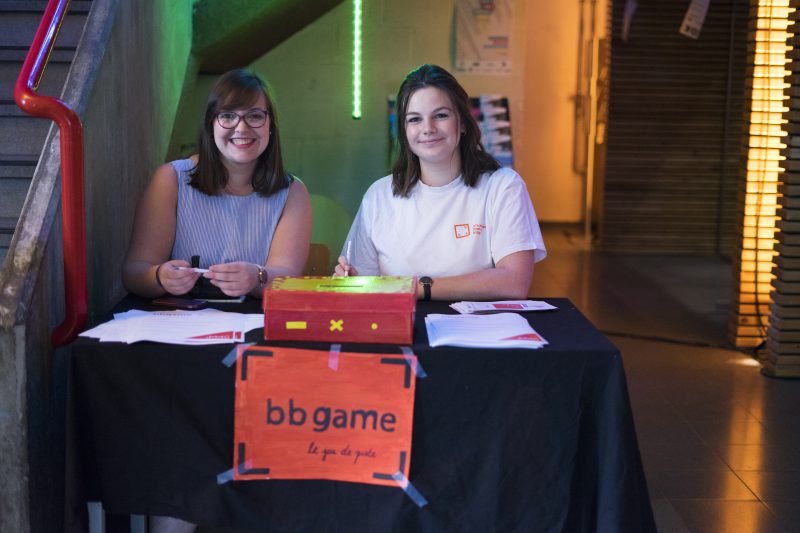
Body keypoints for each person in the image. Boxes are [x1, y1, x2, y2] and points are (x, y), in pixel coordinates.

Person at [335, 64, 546, 300]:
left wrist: (415, 288)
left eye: (441, 115)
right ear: (404, 132)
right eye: (414, 119)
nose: (428, 128)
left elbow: (514, 282)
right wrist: (350, 283)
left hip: (478, 331)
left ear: (463, 122)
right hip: (401, 330)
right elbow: (361, 285)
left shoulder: (503, 186)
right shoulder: (379, 194)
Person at [123, 68, 311, 301]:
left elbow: (288, 280)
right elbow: (134, 273)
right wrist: (160, 276)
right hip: (179, 323)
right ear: (211, 124)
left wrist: (257, 277)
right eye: (228, 116)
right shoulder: (171, 179)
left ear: (270, 126)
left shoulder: (292, 191)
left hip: (254, 324)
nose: (242, 128)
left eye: (254, 116)